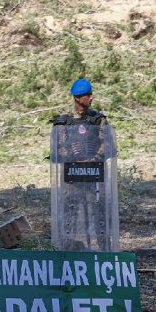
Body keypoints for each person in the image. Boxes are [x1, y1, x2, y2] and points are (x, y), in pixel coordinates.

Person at [51, 78, 114, 251]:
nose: (91, 98)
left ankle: (103, 249)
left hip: (95, 174)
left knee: (99, 211)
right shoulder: (64, 122)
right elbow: (58, 148)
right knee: (70, 210)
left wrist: (92, 160)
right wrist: (73, 159)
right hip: (72, 175)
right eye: (87, 95)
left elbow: (107, 143)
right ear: (78, 98)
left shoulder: (98, 120)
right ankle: (68, 248)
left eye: (91, 94)